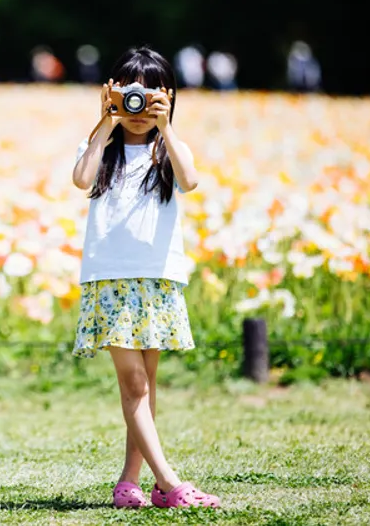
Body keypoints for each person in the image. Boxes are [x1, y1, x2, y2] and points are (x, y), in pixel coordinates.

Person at [71, 46, 221, 510]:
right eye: (129, 94)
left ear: (168, 97)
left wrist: (166, 125)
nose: (138, 107)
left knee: (147, 387)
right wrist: (105, 122)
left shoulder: (168, 147)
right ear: (113, 93)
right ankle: (171, 484)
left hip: (157, 280)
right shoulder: (101, 144)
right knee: (134, 385)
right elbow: (81, 179)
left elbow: (191, 180)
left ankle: (130, 482)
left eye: (149, 95)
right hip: (110, 279)